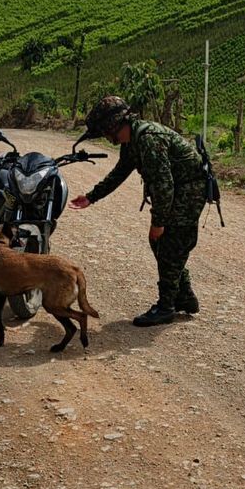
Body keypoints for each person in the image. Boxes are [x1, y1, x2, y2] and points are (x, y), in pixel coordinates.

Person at [69, 96, 207, 326]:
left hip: (189, 192)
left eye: (104, 132)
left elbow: (164, 185)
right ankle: (184, 296)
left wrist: (158, 222)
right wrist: (92, 196)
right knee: (162, 243)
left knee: (170, 244)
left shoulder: (148, 139)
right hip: (179, 191)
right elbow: (120, 172)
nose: (105, 137)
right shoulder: (132, 140)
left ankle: (166, 307)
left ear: (112, 126)